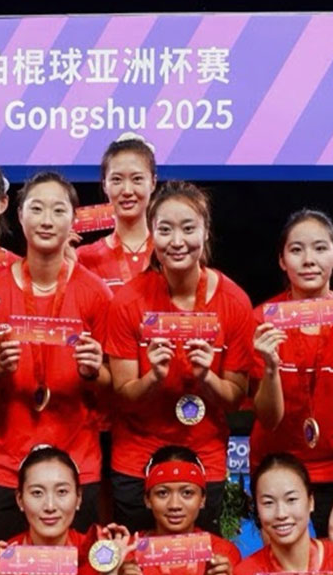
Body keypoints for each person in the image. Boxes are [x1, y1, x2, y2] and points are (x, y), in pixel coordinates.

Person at [103, 181, 256, 532]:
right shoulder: (128, 301)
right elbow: (123, 396)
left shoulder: (234, 302)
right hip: (136, 458)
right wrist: (153, 378)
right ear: (151, 235)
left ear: (205, 231)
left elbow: (235, 398)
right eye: (165, 229)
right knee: (138, 574)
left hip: (206, 459)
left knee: (203, 571)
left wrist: (207, 378)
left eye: (188, 228)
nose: (177, 241)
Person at [0, 172, 113, 542]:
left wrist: (94, 372)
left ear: (74, 221)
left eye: (58, 210)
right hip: (4, 467)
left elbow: (115, 390)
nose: (47, 220)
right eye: (36, 209)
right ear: (19, 216)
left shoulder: (96, 294)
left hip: (77, 467)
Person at [251, 209, 333, 545]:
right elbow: (267, 416)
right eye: (296, 250)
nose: (309, 260)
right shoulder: (262, 319)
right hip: (277, 472)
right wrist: (270, 367)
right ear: (281, 260)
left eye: (320, 249)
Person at [0, 447, 131, 575]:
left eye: (62, 492)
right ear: (20, 500)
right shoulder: (1, 563)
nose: (50, 506)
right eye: (37, 493)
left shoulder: (96, 555)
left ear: (79, 498)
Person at [117, 446, 241, 575]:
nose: (174, 504)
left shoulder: (222, 553)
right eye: (162, 493)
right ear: (147, 500)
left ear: (203, 499)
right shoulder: (126, 552)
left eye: (187, 493)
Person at [77, 135, 157, 291]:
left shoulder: (170, 253)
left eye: (137, 179)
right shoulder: (84, 257)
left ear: (153, 183)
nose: (127, 191)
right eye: (117, 180)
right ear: (105, 186)